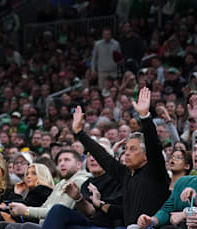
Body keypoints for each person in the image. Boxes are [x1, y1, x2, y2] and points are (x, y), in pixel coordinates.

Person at [73, 87, 170, 227]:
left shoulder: (155, 171)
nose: (127, 153)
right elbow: (103, 157)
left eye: (133, 149)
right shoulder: (126, 174)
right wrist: (79, 132)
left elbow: (154, 145)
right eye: (125, 149)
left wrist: (145, 117)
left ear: (146, 155)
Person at [0, 149, 90, 228]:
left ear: (79, 165)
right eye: (60, 161)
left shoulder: (79, 181)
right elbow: (44, 207)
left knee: (18, 226)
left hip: (61, 226)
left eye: (67, 160)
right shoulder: (61, 183)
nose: (62, 164)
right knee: (0, 225)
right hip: (45, 224)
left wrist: (25, 210)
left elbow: (58, 212)